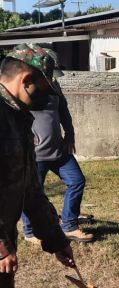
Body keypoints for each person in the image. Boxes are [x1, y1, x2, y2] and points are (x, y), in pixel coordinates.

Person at [0, 43, 76, 288]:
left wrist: (56, 240)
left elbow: (31, 190)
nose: (49, 97)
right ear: (26, 79)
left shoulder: (16, 118)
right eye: (46, 88)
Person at [21, 49, 93, 244]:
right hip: (35, 155)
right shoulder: (25, 89)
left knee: (77, 181)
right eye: (49, 74)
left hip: (59, 150)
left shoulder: (55, 87)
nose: (52, 79)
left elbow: (64, 113)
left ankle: (69, 225)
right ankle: (29, 232)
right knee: (32, 193)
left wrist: (69, 135)